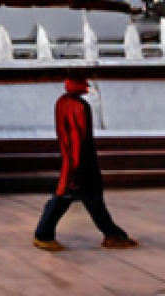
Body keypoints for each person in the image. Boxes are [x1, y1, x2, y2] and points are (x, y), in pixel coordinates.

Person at [33, 75, 137, 251]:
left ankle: (112, 233)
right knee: (70, 198)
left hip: (70, 158)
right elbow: (80, 138)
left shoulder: (61, 102)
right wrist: (79, 165)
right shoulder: (80, 106)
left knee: (86, 199)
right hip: (81, 161)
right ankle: (43, 234)